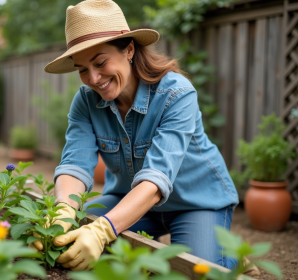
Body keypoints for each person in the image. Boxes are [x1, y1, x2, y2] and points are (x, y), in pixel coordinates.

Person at [31, 0, 258, 276]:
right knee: (74, 237)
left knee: (194, 271)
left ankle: (230, 257)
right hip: (129, 200)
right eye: (81, 69)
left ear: (128, 50)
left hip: (195, 203)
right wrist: (64, 209)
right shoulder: (85, 103)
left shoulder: (176, 94)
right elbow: (75, 165)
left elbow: (156, 178)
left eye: (100, 62)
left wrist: (103, 230)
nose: (92, 78)